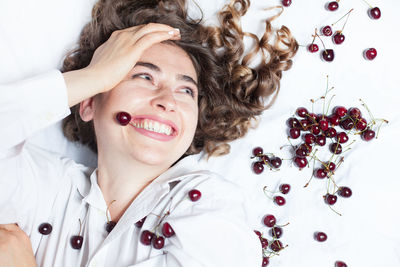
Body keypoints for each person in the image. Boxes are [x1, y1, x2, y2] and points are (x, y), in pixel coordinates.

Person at [0, 0, 298, 266]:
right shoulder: (44, 189)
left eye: (186, 90)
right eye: (144, 76)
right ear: (89, 103)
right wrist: (93, 76)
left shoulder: (207, 204)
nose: (167, 101)